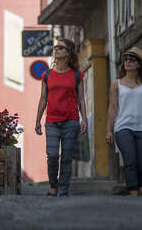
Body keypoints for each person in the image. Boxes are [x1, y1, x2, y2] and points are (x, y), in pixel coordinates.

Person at [35, 38, 88, 197]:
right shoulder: (47, 75)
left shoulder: (77, 75)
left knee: (66, 157)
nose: (56, 49)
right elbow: (43, 98)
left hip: (71, 121)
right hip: (51, 121)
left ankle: (63, 189)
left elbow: (81, 99)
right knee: (52, 155)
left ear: (68, 53)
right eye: (56, 47)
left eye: (60, 47)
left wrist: (84, 119)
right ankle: (53, 185)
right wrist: (37, 120)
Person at [105, 46, 142, 196]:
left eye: (132, 59)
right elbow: (113, 107)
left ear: (139, 64)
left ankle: (137, 185)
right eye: (126, 59)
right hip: (123, 128)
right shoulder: (116, 85)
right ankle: (133, 192)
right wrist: (108, 129)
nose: (128, 61)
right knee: (130, 160)